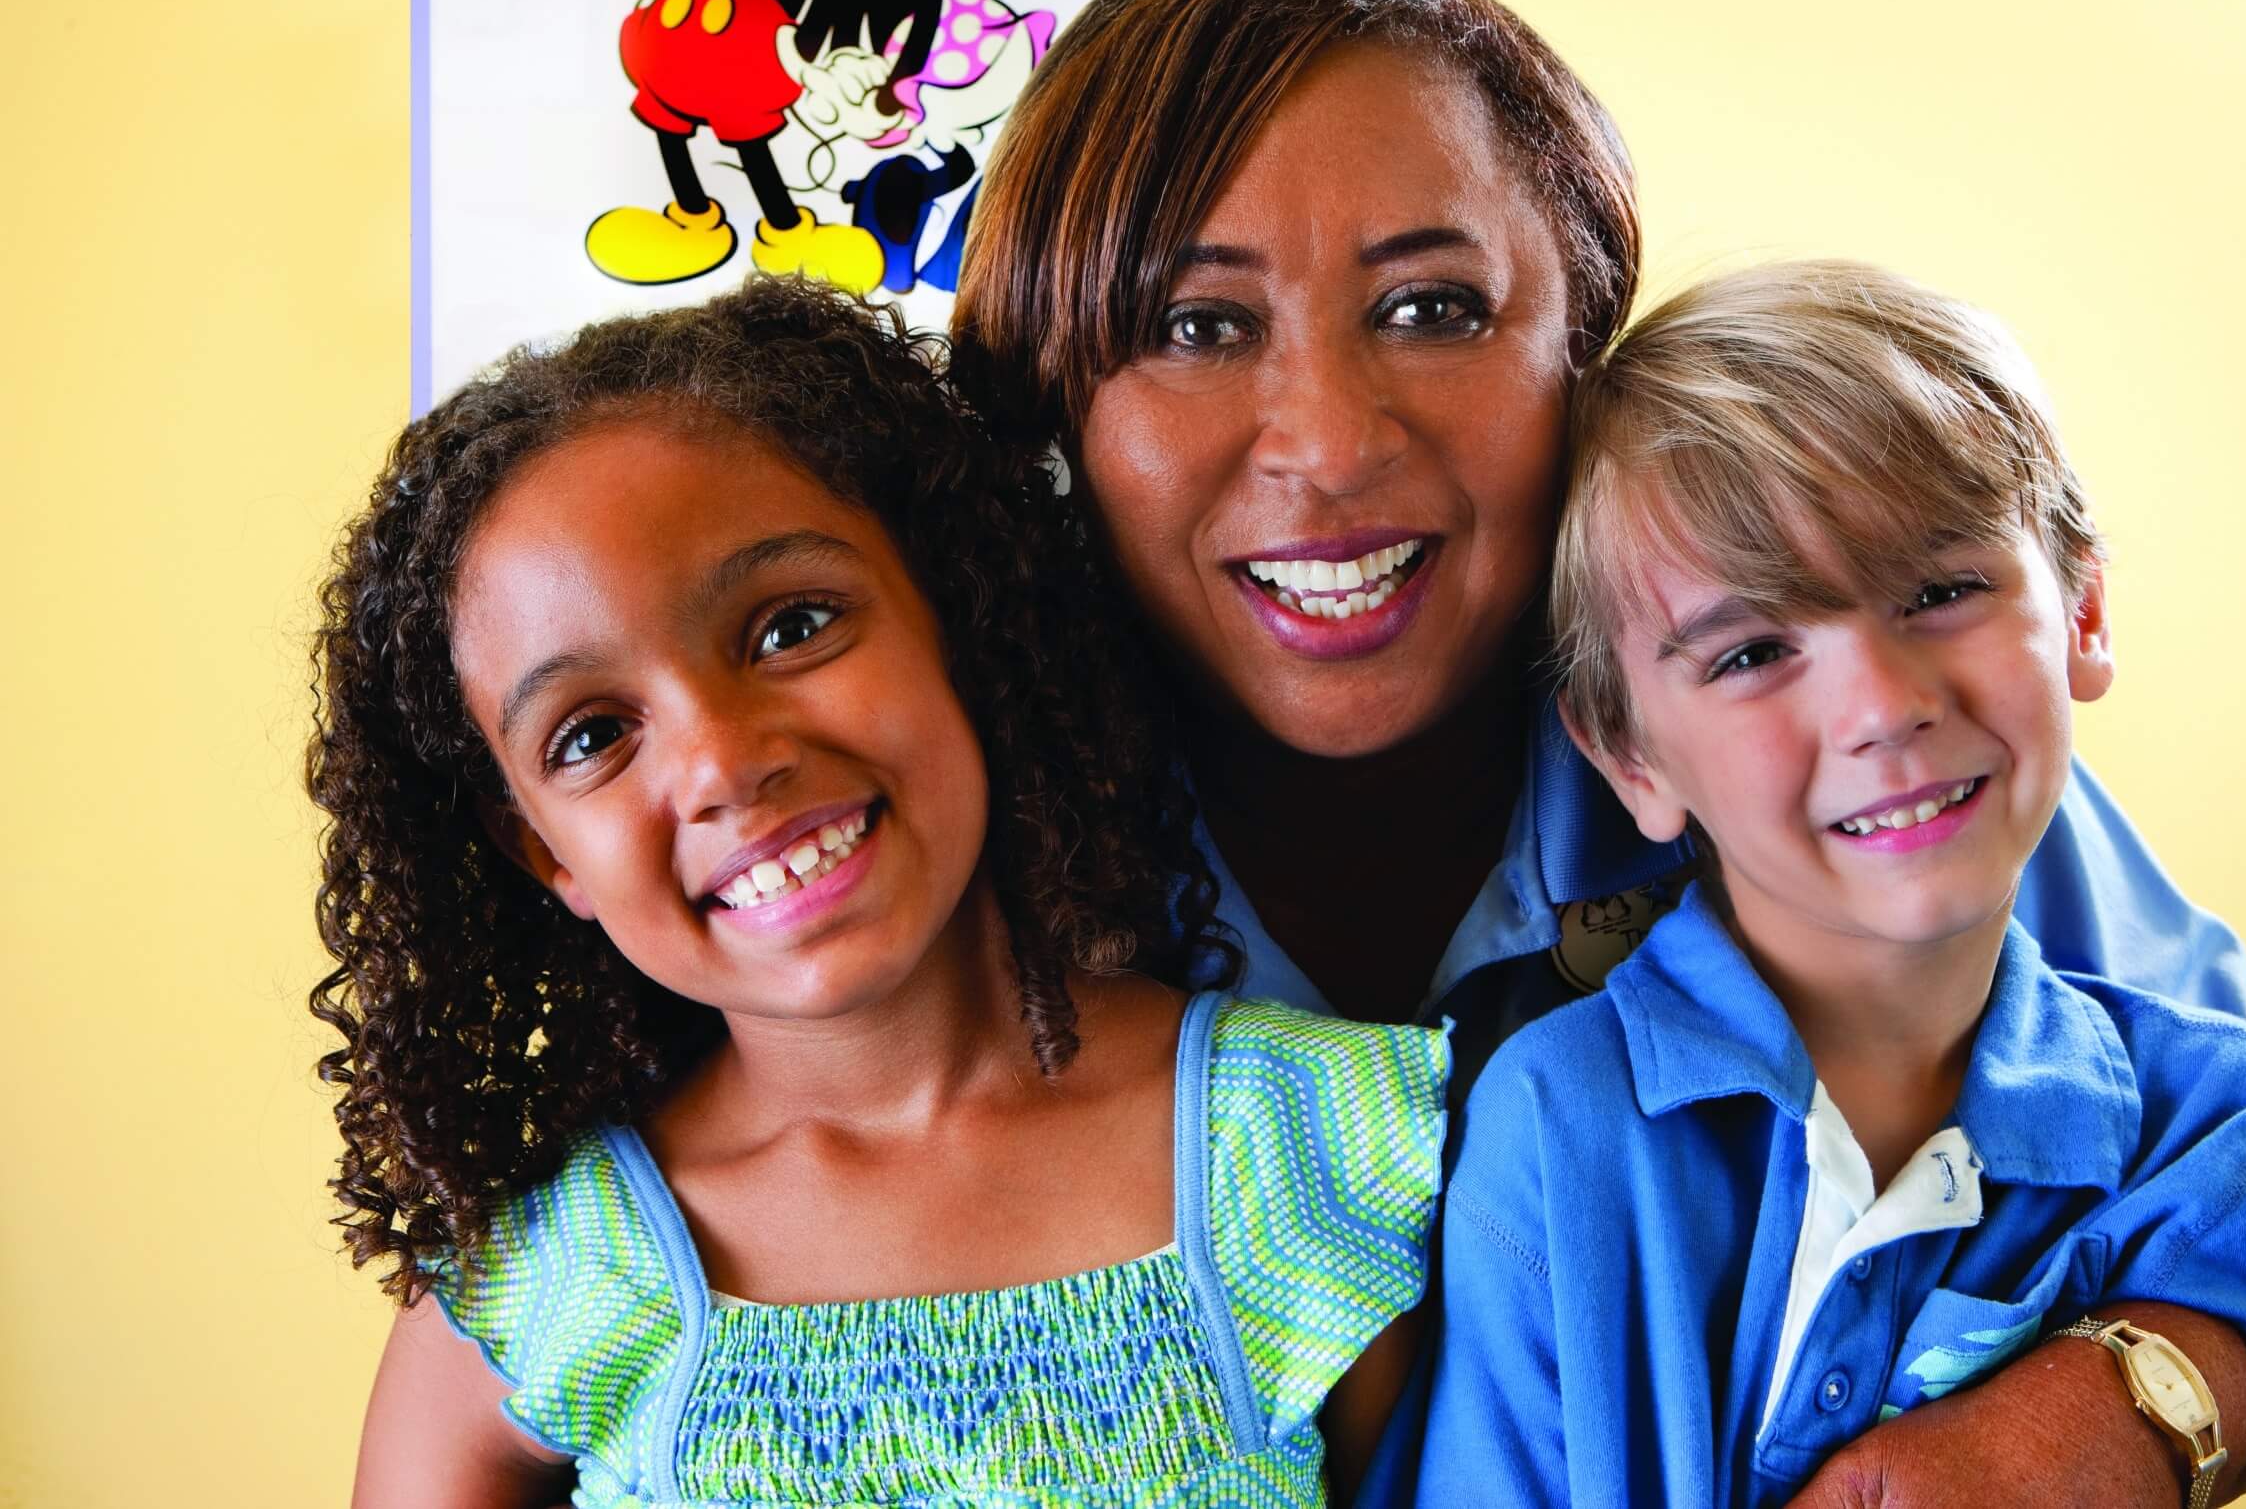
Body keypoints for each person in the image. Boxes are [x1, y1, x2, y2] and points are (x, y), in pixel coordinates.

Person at [949, 0, 2246, 1497]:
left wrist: (2140, 1394)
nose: (1325, 440)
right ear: (1051, 404)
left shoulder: (1850, 781)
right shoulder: (942, 877)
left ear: (1585, 354)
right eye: (1196, 326)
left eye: (1435, 308)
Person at [309, 279, 1446, 1506]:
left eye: (790, 626)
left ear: (954, 616)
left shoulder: (1318, 1149)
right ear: (543, 854)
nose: (724, 762)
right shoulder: (543, 1279)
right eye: (591, 736)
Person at [1411, 263, 2246, 1508]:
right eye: (1753, 651)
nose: (1884, 707)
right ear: (1626, 755)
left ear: (2084, 611)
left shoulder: (2242, 1129)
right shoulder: (1557, 1134)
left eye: (1941, 593)